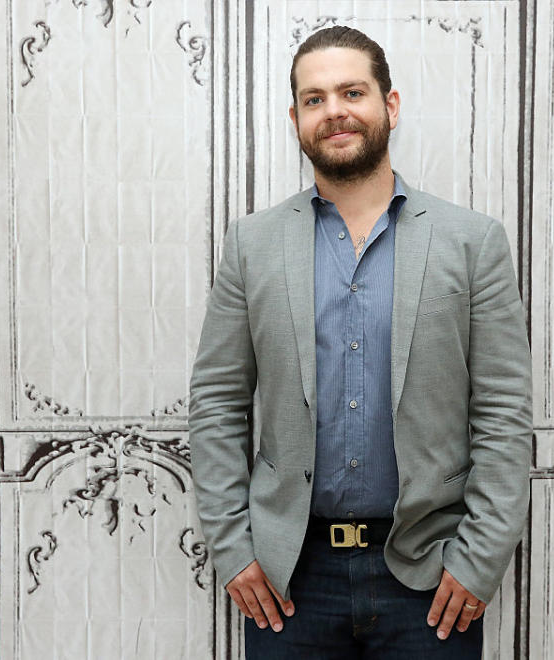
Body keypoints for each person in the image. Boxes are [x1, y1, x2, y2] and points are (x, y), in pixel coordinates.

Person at [188, 25, 532, 658]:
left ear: (389, 106)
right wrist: (234, 550)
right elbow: (215, 403)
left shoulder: (472, 242)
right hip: (289, 578)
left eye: (352, 92)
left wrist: (478, 560)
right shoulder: (251, 246)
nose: (335, 111)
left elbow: (504, 413)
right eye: (315, 99)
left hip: (429, 576)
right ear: (296, 119)